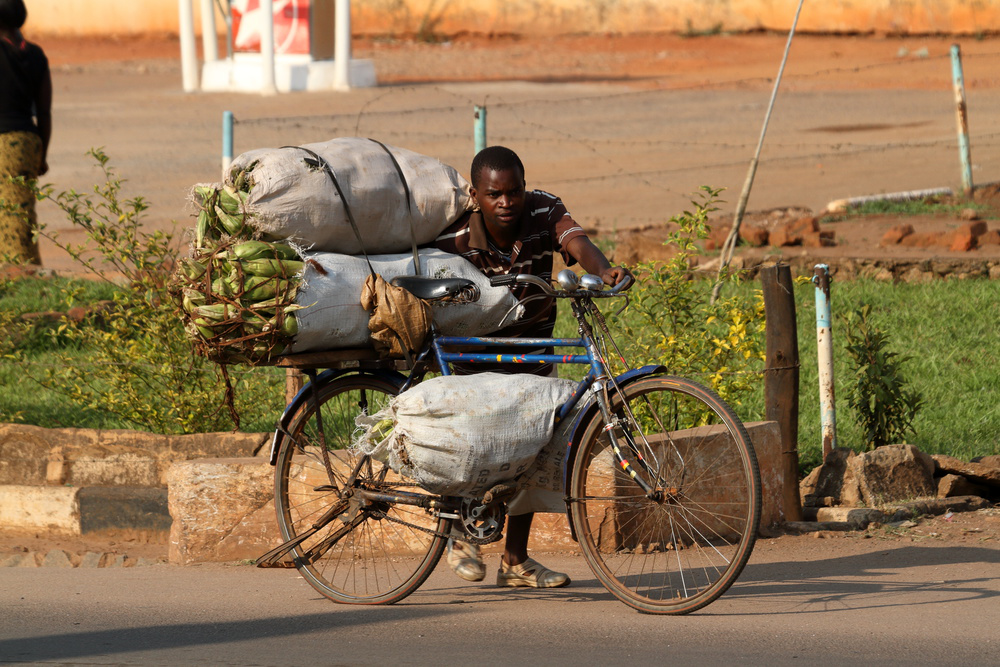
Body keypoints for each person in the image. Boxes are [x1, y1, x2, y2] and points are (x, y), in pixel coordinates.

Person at [432, 145, 631, 588]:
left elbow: (574, 242)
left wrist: (605, 269)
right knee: (475, 438)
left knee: (540, 444)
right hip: (476, 352)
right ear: (476, 195)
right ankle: (457, 530)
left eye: (514, 192)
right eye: (494, 194)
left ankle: (516, 560)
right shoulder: (457, 238)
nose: (506, 203)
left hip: (534, 346)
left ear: (525, 187)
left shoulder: (544, 209)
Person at [0, 0, 51, 265]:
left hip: (3, 143)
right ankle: (28, 270)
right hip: (28, 141)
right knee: (22, 209)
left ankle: (15, 274)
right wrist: (42, 154)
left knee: (10, 214)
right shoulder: (35, 54)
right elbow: (44, 111)